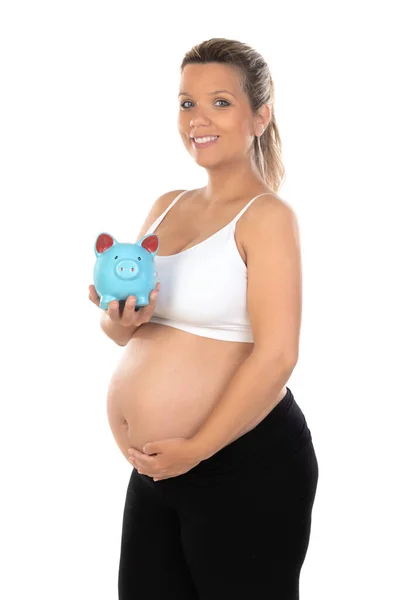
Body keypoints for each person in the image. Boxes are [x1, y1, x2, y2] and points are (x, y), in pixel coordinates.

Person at [89, 37, 319, 600]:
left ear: (259, 116)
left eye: (220, 102)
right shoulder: (167, 204)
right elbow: (124, 334)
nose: (198, 119)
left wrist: (198, 448)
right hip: (157, 471)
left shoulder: (266, 217)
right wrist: (120, 318)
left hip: (243, 462)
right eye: (186, 103)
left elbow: (278, 354)